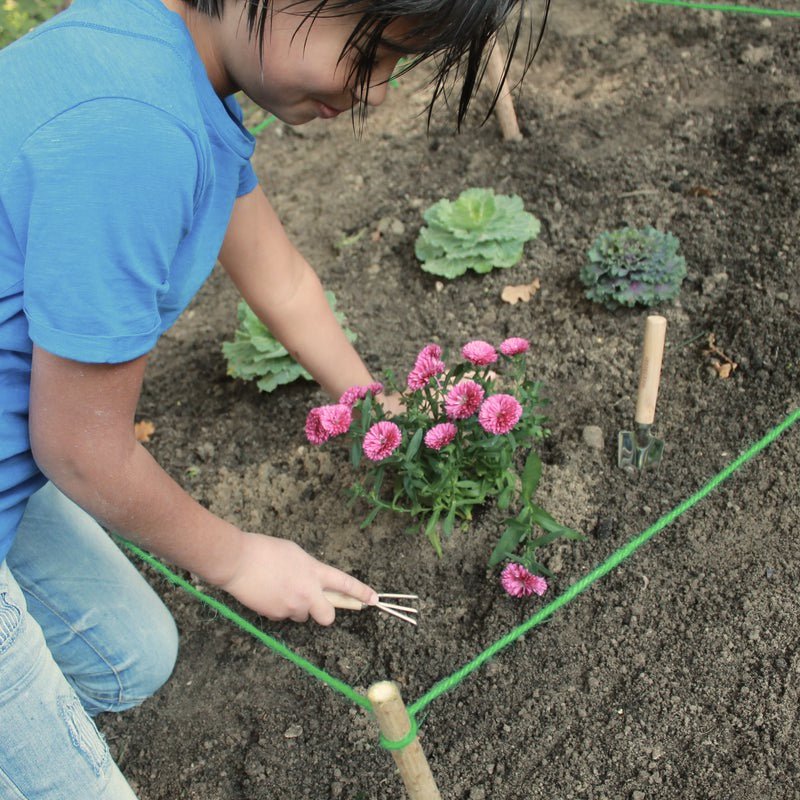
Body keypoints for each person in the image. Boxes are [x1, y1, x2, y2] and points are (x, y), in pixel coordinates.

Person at [0, 0, 548, 796]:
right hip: (47, 448)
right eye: (370, 53)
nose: (377, 91)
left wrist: (375, 405)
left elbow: (282, 280)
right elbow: (82, 449)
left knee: (131, 660)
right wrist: (241, 557)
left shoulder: (165, 56)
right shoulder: (137, 134)